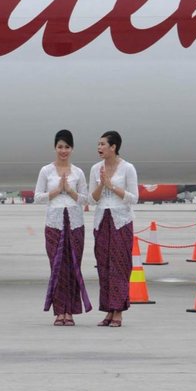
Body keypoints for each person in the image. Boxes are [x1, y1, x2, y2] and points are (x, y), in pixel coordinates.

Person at [34, 129, 92, 325]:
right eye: (60, 147)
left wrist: (70, 191)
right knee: (57, 267)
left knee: (73, 266)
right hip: (54, 223)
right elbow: (37, 197)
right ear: (54, 148)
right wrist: (57, 190)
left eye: (67, 147)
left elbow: (86, 199)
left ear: (72, 149)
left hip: (75, 224)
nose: (63, 150)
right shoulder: (46, 171)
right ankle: (60, 311)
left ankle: (71, 312)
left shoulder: (78, 172)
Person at [89, 131, 138, 327]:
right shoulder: (95, 169)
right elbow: (92, 199)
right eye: (98, 144)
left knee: (120, 265)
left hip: (121, 220)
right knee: (104, 266)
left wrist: (112, 186)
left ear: (113, 147)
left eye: (103, 144)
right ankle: (109, 309)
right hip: (102, 220)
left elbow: (134, 197)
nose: (99, 148)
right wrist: (102, 185)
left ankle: (118, 311)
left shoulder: (127, 168)